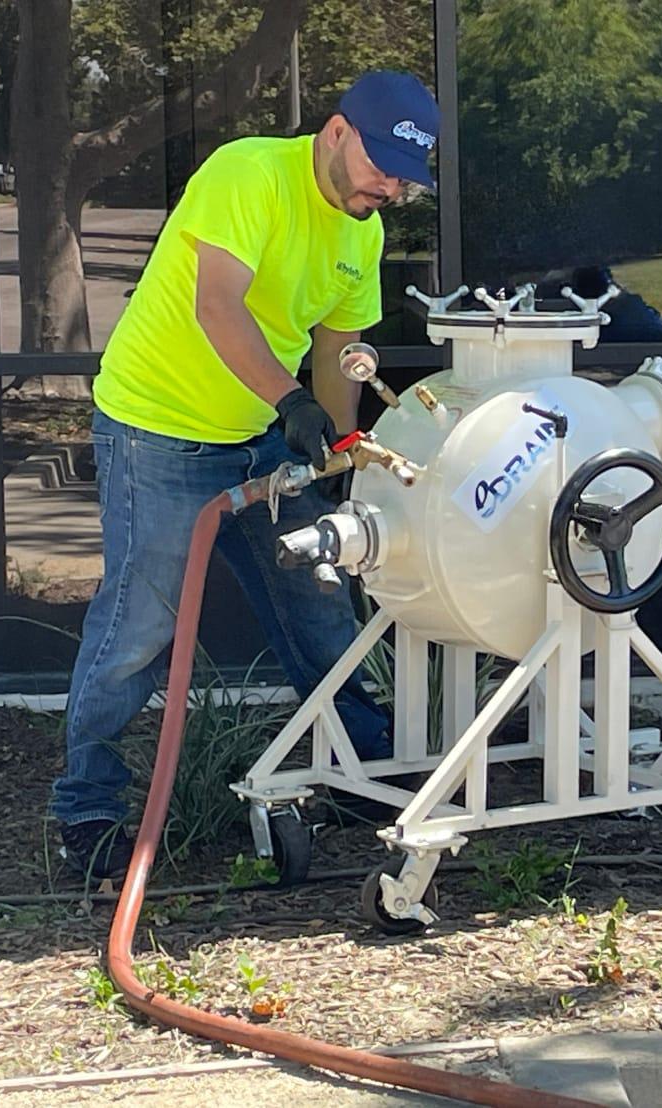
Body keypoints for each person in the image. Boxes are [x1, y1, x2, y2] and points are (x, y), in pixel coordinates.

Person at [52, 70, 440, 879]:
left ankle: (355, 768)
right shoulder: (248, 172)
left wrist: (330, 448)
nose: (392, 189)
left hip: (261, 433)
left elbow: (339, 350)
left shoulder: (360, 234)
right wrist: (294, 405)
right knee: (138, 628)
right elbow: (218, 308)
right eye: (383, 166)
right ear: (337, 132)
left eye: (407, 177)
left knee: (319, 596)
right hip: (155, 431)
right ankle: (85, 808)